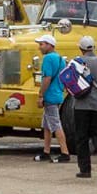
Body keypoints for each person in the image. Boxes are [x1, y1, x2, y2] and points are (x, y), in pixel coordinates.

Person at [67, 34, 97, 177]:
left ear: (81, 48)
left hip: (81, 105)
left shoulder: (76, 62)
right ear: (94, 47)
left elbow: (69, 82)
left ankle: (85, 170)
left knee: (81, 137)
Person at [34, 32, 69, 164]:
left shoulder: (48, 59)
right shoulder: (60, 58)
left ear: (50, 45)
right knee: (47, 124)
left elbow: (46, 78)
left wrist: (41, 95)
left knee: (55, 124)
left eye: (42, 44)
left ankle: (65, 152)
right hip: (58, 94)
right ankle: (46, 151)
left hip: (50, 96)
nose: (40, 47)